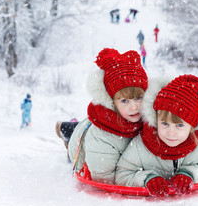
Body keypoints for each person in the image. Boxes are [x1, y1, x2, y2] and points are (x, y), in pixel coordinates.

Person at [115, 74, 198, 197]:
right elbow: (122, 174)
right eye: (165, 123)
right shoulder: (142, 144)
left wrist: (190, 174)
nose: (171, 132)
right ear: (156, 120)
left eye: (179, 126)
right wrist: (147, 179)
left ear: (192, 126)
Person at [55, 48, 148, 184]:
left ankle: (71, 126)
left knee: (86, 125)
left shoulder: (146, 116)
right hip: (85, 145)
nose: (134, 106)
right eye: (124, 101)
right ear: (112, 102)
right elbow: (103, 176)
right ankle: (68, 132)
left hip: (99, 126)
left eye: (138, 98)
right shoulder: (101, 137)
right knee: (82, 136)